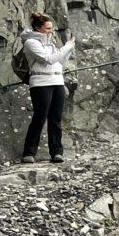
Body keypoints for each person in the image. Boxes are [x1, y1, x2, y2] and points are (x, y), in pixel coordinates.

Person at [19, 12, 75, 164]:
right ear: (38, 28)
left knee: (55, 119)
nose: (51, 31)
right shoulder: (31, 43)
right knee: (40, 117)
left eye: (51, 28)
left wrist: (67, 51)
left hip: (57, 80)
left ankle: (57, 152)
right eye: (48, 28)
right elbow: (49, 59)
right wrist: (67, 46)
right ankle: (29, 153)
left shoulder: (51, 42)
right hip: (41, 82)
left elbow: (59, 62)